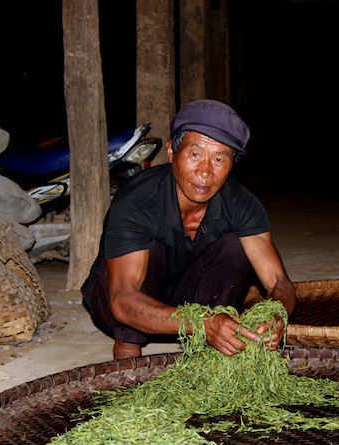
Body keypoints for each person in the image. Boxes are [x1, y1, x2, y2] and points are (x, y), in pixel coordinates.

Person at [81, 99, 296, 360]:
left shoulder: (242, 203)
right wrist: (203, 323)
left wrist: (276, 313)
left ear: (232, 164)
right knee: (149, 248)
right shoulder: (137, 200)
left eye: (219, 159)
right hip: (122, 304)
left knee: (236, 245)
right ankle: (128, 347)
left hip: (193, 304)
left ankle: (213, 348)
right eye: (195, 154)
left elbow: (279, 282)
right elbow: (123, 300)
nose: (205, 172)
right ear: (172, 152)